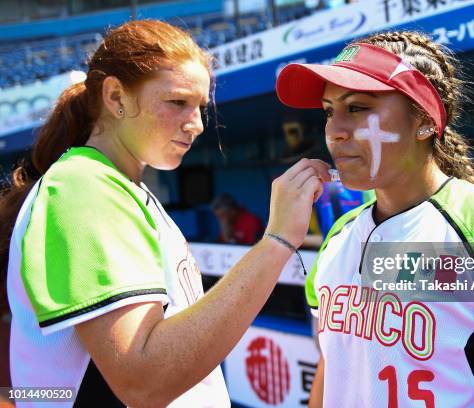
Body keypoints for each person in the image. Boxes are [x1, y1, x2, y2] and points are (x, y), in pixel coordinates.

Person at [0, 20, 330, 407]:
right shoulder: (84, 187)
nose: (197, 125)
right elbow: (143, 381)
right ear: (116, 97)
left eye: (201, 108)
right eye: (177, 102)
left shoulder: (116, 186)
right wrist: (276, 242)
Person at [276, 31, 474, 407]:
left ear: (425, 120)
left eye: (358, 108)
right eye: (329, 111)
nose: (334, 130)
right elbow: (335, 369)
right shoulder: (340, 235)